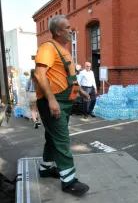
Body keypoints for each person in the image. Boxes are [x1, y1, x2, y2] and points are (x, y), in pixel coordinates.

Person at [34, 15, 90, 195]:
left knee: (53, 137)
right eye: (67, 28)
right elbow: (40, 74)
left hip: (65, 103)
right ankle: (69, 181)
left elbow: (68, 76)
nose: (70, 30)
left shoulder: (64, 50)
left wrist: (80, 91)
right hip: (54, 102)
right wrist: (51, 100)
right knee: (62, 140)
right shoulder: (48, 48)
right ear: (57, 31)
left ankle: (46, 168)